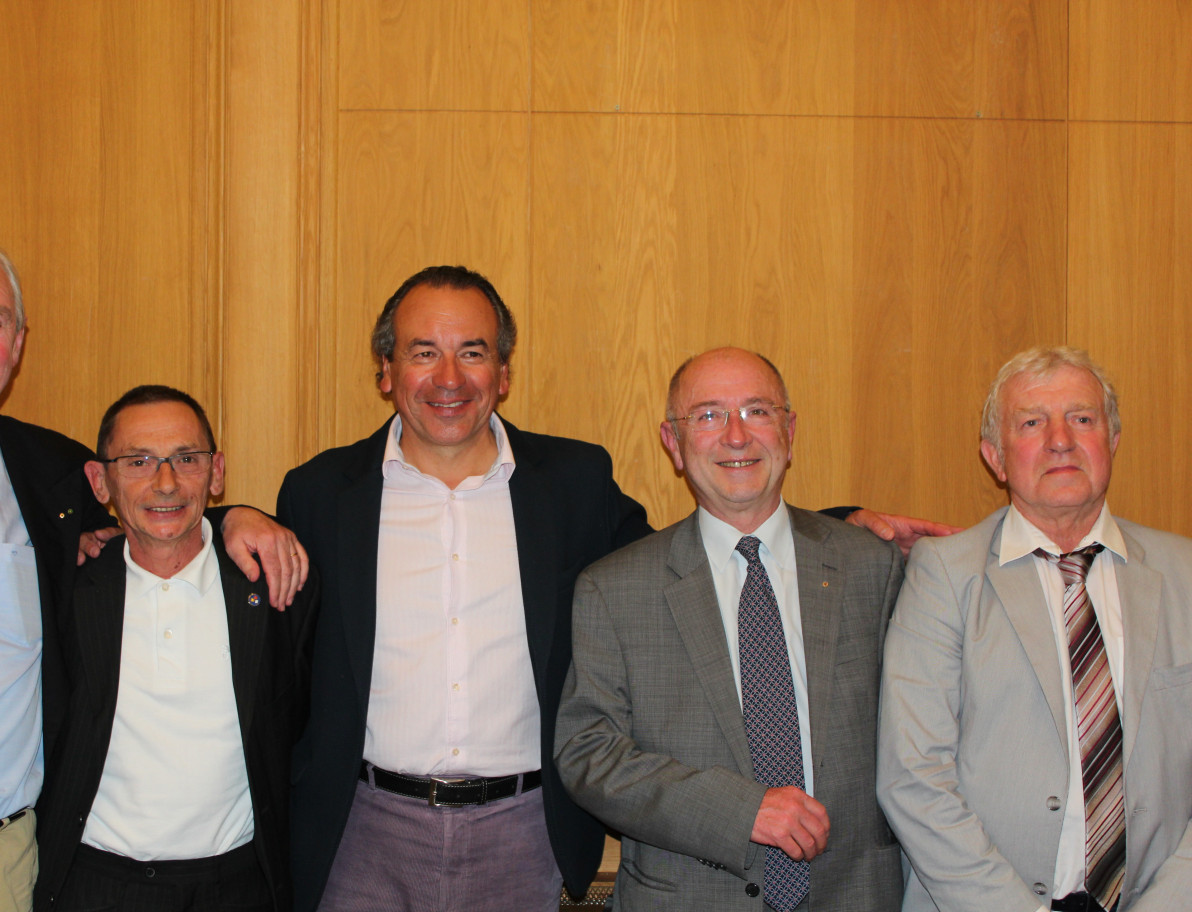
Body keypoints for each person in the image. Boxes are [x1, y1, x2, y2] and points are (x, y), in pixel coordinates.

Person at [278, 267, 935, 911]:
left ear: (503, 375)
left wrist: (842, 526)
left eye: (472, 352)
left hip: (522, 833)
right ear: (386, 370)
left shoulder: (572, 483)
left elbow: (701, 553)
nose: (449, 378)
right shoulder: (319, 493)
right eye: (424, 352)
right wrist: (228, 518)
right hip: (363, 833)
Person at [0, 231, 304, 912]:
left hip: (1, 864)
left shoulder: (51, 475)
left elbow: (158, 503)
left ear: (16, 344)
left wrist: (235, 517)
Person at [554, 347, 904, 911]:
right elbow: (588, 753)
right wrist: (742, 811)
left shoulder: (873, 567)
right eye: (709, 415)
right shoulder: (613, 589)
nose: (736, 437)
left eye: (757, 411)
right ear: (673, 441)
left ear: (789, 431)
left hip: (855, 894)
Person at [877, 346, 1192, 912]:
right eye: (1031, 423)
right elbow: (913, 778)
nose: (1060, 440)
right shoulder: (944, 575)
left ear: (1112, 441)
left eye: (1082, 418)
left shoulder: (1185, 575)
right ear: (995, 457)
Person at [33, 386, 317, 911]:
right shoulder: (64, 590)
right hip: (94, 883)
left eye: (186, 459)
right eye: (138, 461)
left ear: (216, 473)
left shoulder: (277, 584)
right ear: (101, 482)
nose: (165, 482)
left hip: (239, 884)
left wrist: (238, 514)